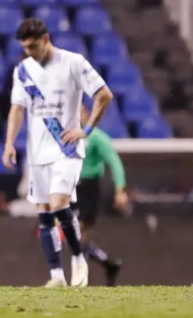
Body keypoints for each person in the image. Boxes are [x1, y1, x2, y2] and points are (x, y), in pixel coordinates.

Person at [2, 18, 114, 288]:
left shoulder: (73, 63)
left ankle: (77, 257)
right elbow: (17, 108)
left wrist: (86, 129)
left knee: (58, 204)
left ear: (46, 39)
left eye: (34, 46)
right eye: (25, 48)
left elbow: (104, 95)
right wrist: (8, 144)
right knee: (43, 211)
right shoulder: (24, 70)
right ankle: (56, 276)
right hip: (37, 151)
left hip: (66, 147)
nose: (30, 52)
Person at [71, 105, 127, 286]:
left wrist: (120, 189)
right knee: (77, 237)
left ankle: (80, 279)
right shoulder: (67, 137)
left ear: (87, 114)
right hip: (71, 188)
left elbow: (114, 161)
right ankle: (108, 264)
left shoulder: (96, 138)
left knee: (76, 232)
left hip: (88, 188)